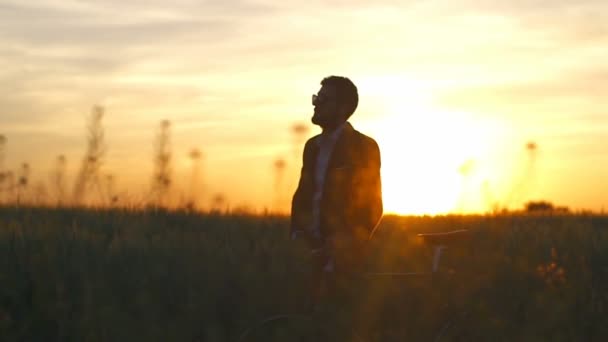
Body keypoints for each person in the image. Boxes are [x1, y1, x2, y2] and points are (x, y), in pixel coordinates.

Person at [290, 75, 383, 305]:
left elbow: (372, 206)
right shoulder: (312, 146)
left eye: (324, 99)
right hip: (309, 252)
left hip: (343, 258)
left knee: (335, 320)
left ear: (343, 108)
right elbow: (303, 196)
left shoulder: (365, 147)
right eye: (316, 97)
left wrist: (346, 245)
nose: (316, 103)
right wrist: (297, 236)